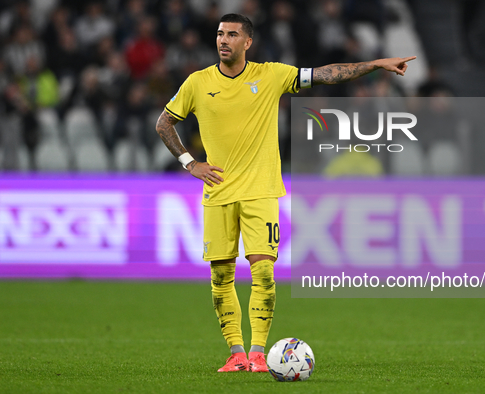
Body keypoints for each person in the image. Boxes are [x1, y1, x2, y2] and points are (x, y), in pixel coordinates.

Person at [155, 13, 415, 373]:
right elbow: (163, 122)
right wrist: (189, 162)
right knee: (220, 275)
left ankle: (259, 354)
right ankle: (235, 353)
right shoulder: (198, 83)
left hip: (261, 191)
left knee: (263, 273)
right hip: (218, 192)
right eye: (219, 34)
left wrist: (374, 64)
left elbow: (323, 74)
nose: (223, 40)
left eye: (232, 34)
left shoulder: (271, 75)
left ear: (248, 42)